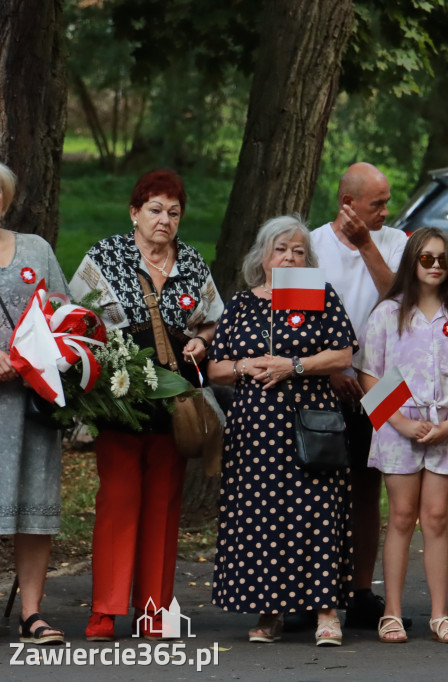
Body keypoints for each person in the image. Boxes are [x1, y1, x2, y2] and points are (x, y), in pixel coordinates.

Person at [70, 169, 224, 642]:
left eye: (174, 213)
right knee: (117, 499)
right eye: (155, 210)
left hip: (175, 401)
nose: (165, 220)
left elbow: (212, 321)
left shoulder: (192, 264)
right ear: (134, 213)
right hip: (120, 397)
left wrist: (200, 341)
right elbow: (74, 317)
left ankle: (154, 609)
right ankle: (105, 608)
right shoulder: (104, 257)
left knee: (164, 500)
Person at [208, 215, 357, 646]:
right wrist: (244, 366)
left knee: (317, 511)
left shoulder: (318, 296)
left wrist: (292, 366)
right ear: (263, 256)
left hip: (311, 422)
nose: (289, 256)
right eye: (281, 249)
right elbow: (216, 367)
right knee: (262, 516)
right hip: (256, 429)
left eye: (298, 251)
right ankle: (269, 611)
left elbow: (343, 353)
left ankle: (326, 612)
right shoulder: (241, 304)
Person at [356, 228, 448, 644]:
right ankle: (391, 613)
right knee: (400, 516)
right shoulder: (388, 313)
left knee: (435, 518)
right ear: (412, 263)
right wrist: (399, 422)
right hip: (399, 427)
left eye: (442, 259)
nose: (435, 266)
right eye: (426, 258)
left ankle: (440, 614)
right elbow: (368, 374)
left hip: (444, 428)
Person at [309, 162, 409, 630]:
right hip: (322, 381)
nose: (386, 211)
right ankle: (313, 589)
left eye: (387, 201)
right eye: (377, 204)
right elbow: (297, 322)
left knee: (371, 487)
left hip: (384, 382)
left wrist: (367, 244)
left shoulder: (395, 242)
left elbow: (401, 301)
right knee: (316, 486)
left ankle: (362, 590)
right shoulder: (310, 245)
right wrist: (329, 371)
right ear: (347, 204)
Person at [0, 162, 68, 645]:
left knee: (34, 507)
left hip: (32, 402)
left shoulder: (36, 249)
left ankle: (31, 613)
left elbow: (64, 311)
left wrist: (35, 358)